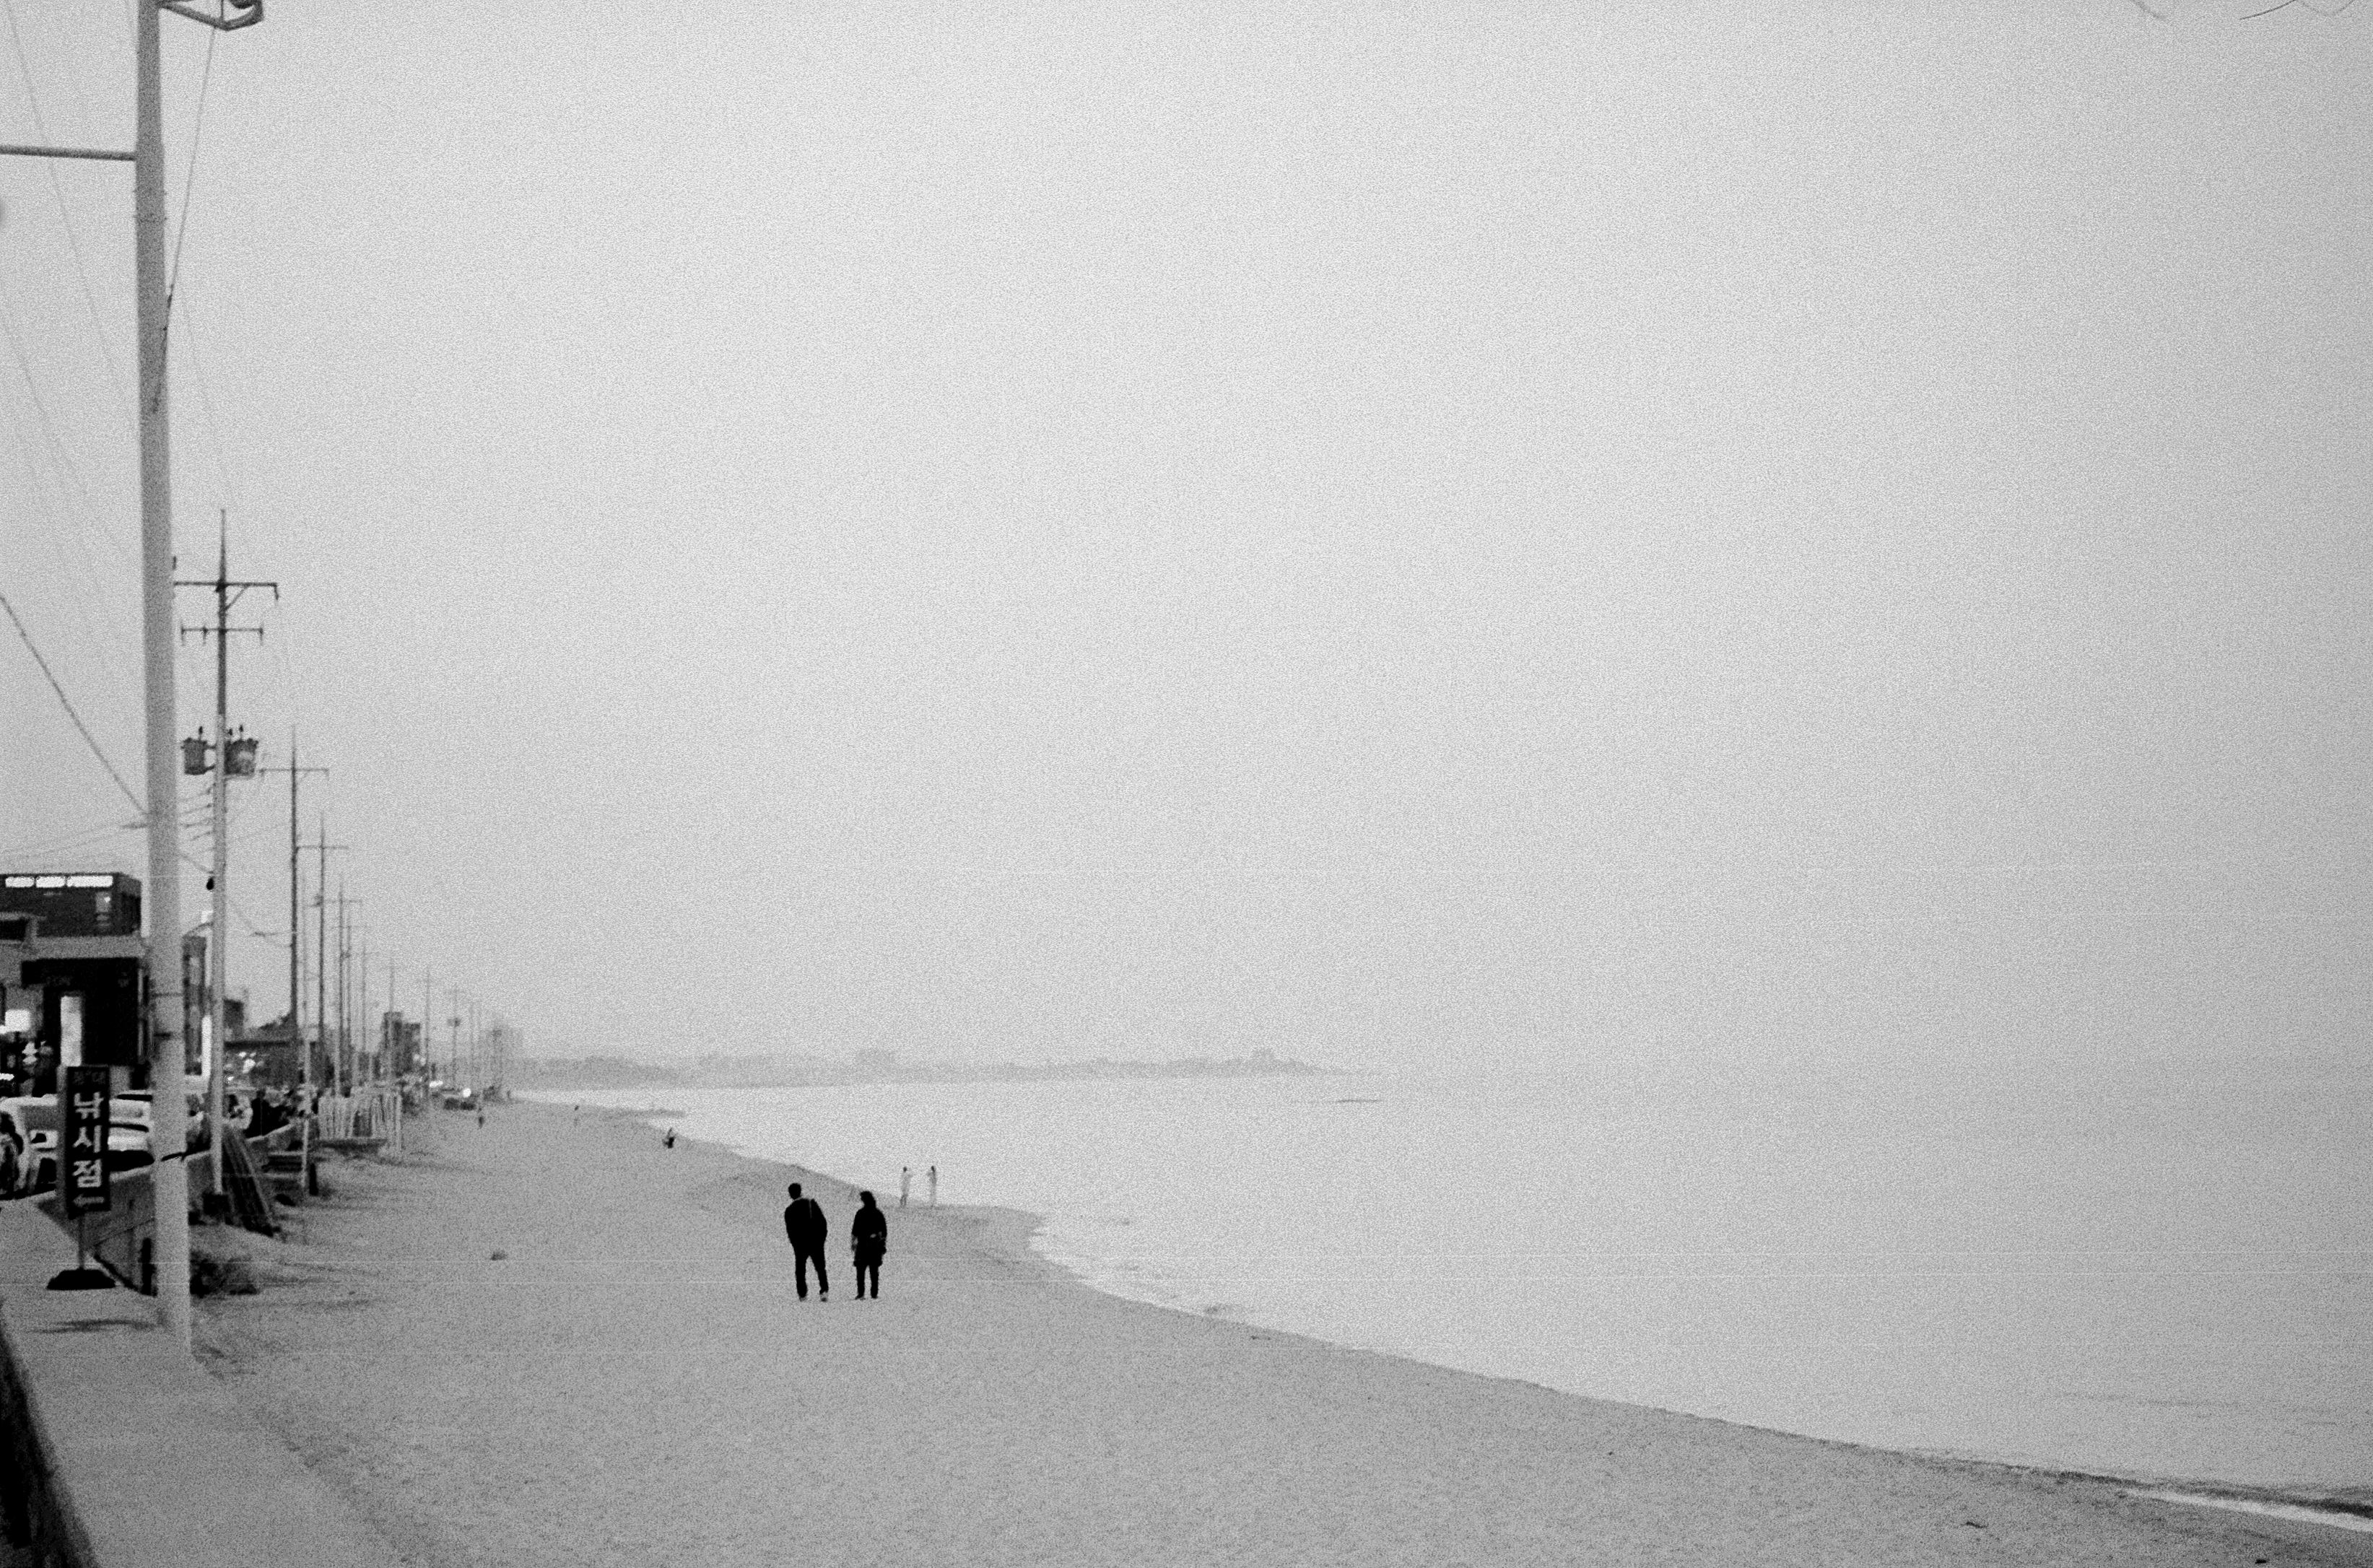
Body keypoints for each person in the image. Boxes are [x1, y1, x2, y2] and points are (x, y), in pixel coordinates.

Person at [782, 1182, 829, 1301]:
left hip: (800, 1245)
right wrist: (821, 1240)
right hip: (816, 1242)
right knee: (820, 1268)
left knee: (800, 1270)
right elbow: (823, 1223)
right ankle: (824, 1291)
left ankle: (802, 1294)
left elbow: (790, 1231)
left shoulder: (790, 1210)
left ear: (790, 1194)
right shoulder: (811, 1204)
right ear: (800, 1191)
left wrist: (795, 1244)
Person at [850, 1190, 887, 1299]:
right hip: (875, 1246)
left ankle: (861, 1293)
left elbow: (855, 1230)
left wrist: (853, 1243)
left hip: (862, 1245)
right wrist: (882, 1243)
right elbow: (884, 1232)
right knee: (874, 1271)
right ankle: (874, 1293)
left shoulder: (861, 1213)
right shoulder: (878, 1213)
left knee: (860, 1271)